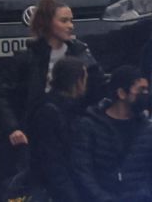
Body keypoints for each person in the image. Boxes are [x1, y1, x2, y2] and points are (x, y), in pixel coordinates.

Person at [0, 0, 102, 202]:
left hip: (67, 135)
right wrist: (12, 128)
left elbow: (96, 92)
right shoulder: (27, 58)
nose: (71, 26)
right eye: (64, 20)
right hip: (28, 137)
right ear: (47, 23)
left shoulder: (82, 54)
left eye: (71, 20)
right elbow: (0, 95)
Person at [71, 67, 152, 202]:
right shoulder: (89, 126)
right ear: (121, 93)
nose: (145, 95)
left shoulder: (150, 130)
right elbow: (82, 172)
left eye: (146, 90)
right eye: (140, 90)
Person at [22, 54, 92, 202]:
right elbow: (52, 162)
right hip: (55, 190)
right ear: (77, 81)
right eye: (85, 78)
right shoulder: (52, 111)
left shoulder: (62, 107)